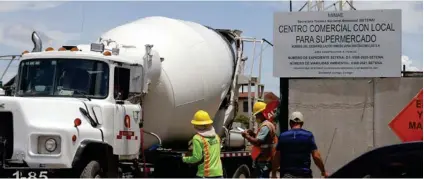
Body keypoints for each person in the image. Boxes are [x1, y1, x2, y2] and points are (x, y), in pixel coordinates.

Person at [271, 111, 329, 178]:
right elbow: (316, 156)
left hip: (287, 175)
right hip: (304, 175)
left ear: (290, 122)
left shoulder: (283, 136)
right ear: (302, 123)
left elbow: (277, 157)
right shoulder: (308, 136)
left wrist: (273, 173)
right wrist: (323, 171)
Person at [182, 110, 223, 178]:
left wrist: (184, 159)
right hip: (218, 173)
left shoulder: (197, 138)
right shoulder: (217, 137)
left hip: (205, 174)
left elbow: (197, 158)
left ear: (197, 125)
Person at [242, 101, 278, 178]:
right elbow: (262, 140)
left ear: (262, 113)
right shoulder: (267, 124)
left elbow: (258, 142)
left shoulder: (265, 126)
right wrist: (252, 134)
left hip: (264, 160)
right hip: (265, 159)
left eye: (257, 115)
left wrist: (246, 136)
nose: (256, 117)